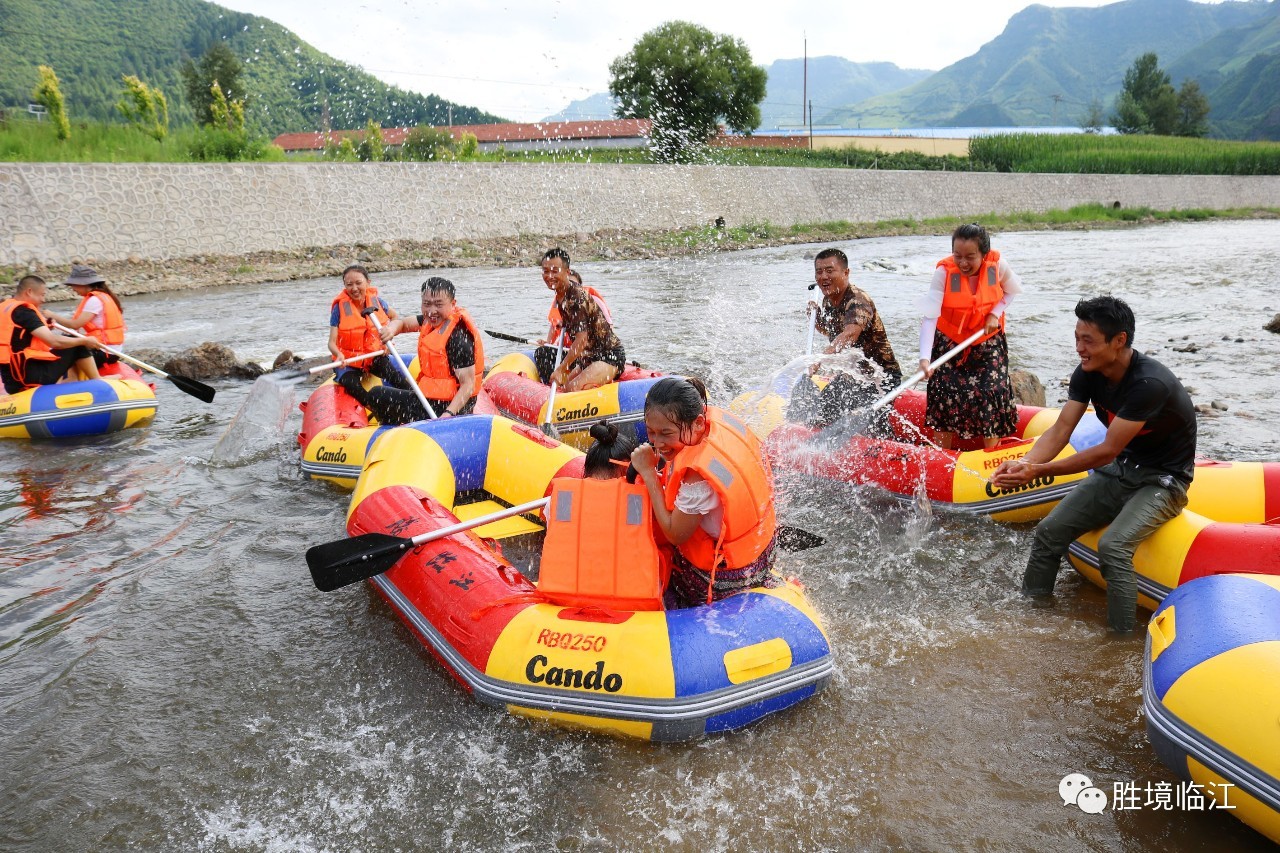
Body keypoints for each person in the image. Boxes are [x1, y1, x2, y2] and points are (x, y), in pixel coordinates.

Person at [991, 296, 1196, 633]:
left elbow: (1106, 450)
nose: (1079, 348)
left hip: (1164, 481)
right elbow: (1060, 429)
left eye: (1088, 341)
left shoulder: (1148, 384)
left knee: (1113, 547)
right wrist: (1025, 462)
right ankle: (1031, 619)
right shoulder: (1087, 374)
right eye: (1076, 338)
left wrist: (1039, 472)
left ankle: (1119, 641)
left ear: (1119, 341)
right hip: (1122, 468)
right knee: (1048, 532)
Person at [630, 378, 778, 608]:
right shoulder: (713, 426)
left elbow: (675, 535)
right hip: (763, 550)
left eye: (666, 433)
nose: (657, 443)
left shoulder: (697, 476)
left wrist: (649, 474)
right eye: (651, 432)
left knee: (664, 565)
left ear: (698, 422)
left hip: (732, 574)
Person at [538, 420, 663, 611]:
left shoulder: (560, 499)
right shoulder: (643, 499)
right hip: (630, 605)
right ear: (626, 469)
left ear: (588, 467)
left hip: (563, 601)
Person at [918, 223, 1022, 449]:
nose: (963, 263)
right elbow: (930, 318)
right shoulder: (944, 273)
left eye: (970, 257)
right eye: (958, 256)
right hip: (949, 342)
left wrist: (995, 312)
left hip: (987, 340)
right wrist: (924, 359)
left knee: (990, 393)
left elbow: (1013, 291)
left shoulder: (998, 266)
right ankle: (942, 454)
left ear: (984, 255)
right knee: (944, 393)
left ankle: (991, 454)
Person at [788, 248, 903, 434]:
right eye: (819, 272)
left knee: (866, 422)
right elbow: (832, 331)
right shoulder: (828, 300)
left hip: (880, 378)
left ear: (846, 272)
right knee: (820, 413)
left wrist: (819, 359)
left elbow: (849, 335)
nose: (823, 276)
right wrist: (815, 319)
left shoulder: (858, 300)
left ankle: (886, 447)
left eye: (829, 270)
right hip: (852, 376)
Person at [346, 276, 483, 424]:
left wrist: (447, 415)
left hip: (449, 408)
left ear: (452, 304)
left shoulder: (458, 338)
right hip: (431, 399)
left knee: (377, 394)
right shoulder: (429, 320)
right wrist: (391, 330)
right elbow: (403, 323)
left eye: (438, 304)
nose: (431, 311)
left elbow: (468, 386)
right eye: (427, 304)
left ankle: (394, 431)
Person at [533, 248, 625, 391]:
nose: (549, 276)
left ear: (567, 272)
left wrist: (562, 368)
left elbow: (581, 339)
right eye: (546, 271)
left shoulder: (576, 298)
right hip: (588, 359)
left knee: (572, 390)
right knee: (563, 389)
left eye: (555, 271)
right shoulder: (561, 295)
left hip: (609, 357)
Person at [1, 275, 102, 394]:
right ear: (29, 292)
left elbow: (18, 336)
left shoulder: (5, 308)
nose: (43, 300)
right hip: (28, 379)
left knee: (71, 341)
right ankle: (98, 382)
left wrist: (46, 326)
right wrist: (85, 341)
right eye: (42, 295)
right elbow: (54, 342)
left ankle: (72, 382)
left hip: (11, 382)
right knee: (77, 343)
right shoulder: (24, 312)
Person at [326, 265, 410, 400]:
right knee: (352, 385)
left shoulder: (378, 302)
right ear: (345, 286)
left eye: (358, 283)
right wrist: (338, 354)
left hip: (373, 356)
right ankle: (374, 407)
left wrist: (388, 339)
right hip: (349, 361)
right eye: (349, 284)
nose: (354, 288)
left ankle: (415, 403)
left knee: (397, 378)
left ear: (368, 282)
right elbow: (331, 343)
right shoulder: (339, 308)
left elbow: (395, 318)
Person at [46, 265, 126, 367]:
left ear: (83, 283)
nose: (73, 289)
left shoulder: (94, 300)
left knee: (61, 353)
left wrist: (52, 315)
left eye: (74, 285)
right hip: (110, 351)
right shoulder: (103, 296)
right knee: (68, 339)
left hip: (104, 352)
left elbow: (75, 325)